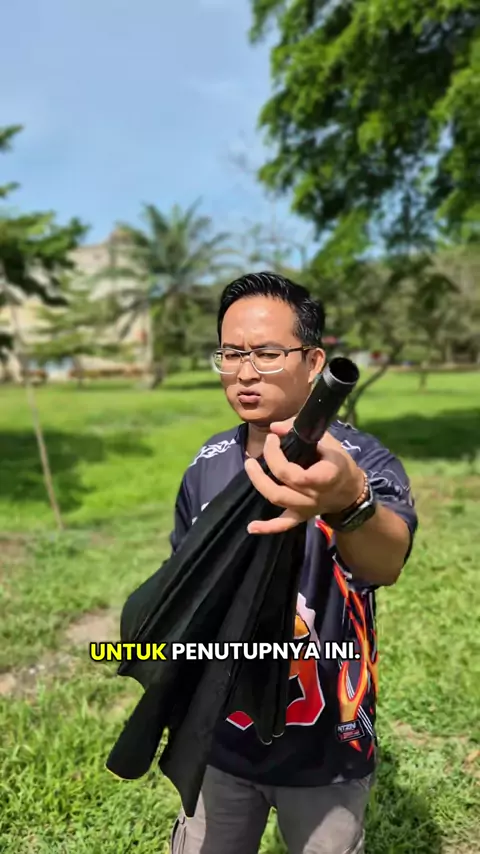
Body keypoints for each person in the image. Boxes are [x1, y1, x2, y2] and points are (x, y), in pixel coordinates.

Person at [168, 272, 418, 854]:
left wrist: (348, 502)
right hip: (221, 742)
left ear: (313, 363)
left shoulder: (360, 463)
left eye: (266, 353)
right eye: (231, 353)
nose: (244, 372)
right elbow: (183, 584)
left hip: (327, 745)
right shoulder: (206, 465)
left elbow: (386, 562)